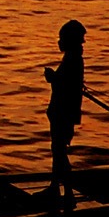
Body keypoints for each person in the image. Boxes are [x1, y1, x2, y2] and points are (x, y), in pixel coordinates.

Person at [45, 19, 86, 205]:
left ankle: (65, 190)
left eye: (62, 38)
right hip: (63, 112)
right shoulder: (73, 59)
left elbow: (64, 84)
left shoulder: (72, 60)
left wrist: (52, 77)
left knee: (59, 151)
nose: (59, 41)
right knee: (58, 149)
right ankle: (56, 187)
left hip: (63, 113)